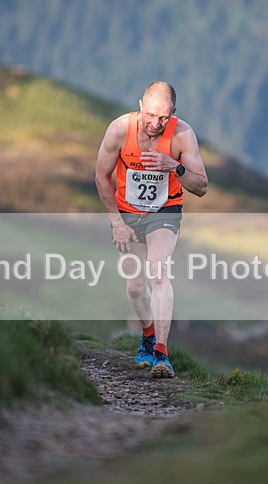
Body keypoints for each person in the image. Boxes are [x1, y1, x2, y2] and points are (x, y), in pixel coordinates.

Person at [95, 82, 208, 378]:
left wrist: (175, 167)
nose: (156, 124)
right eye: (151, 115)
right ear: (140, 105)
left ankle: (161, 352)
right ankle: (146, 336)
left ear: (173, 113)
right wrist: (116, 223)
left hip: (165, 213)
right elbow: (101, 175)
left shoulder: (182, 135)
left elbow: (202, 187)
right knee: (134, 285)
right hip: (128, 213)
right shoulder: (120, 130)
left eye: (164, 117)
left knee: (157, 271)